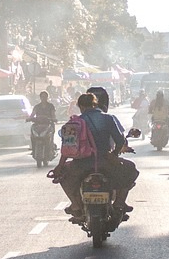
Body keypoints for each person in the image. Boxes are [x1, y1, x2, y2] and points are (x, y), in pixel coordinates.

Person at [55, 91, 140, 221]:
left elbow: (67, 148)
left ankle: (76, 205)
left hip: (81, 164)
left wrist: (59, 167)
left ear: (80, 106)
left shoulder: (75, 122)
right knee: (130, 169)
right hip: (106, 162)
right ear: (95, 104)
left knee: (63, 175)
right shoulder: (108, 118)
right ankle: (119, 202)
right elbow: (120, 140)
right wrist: (114, 155)